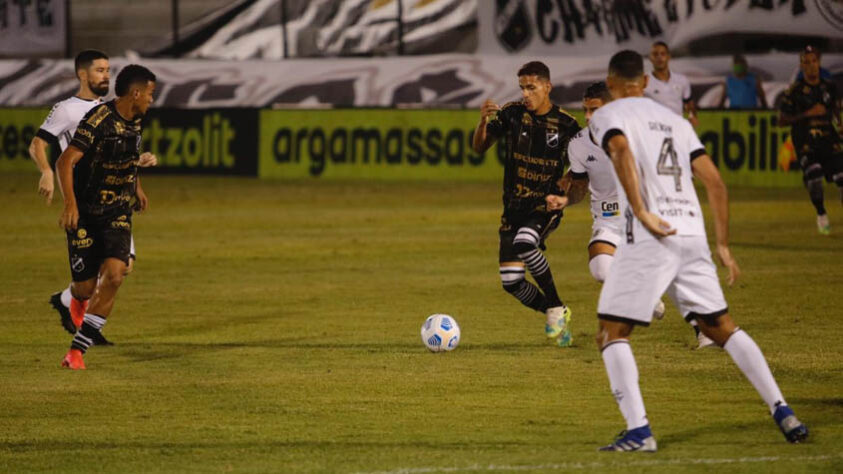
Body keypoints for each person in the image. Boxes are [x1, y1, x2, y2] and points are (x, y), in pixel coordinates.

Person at [587, 50, 807, 451]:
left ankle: (639, 432)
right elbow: (715, 181)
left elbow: (619, 150)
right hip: (692, 232)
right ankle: (782, 409)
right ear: (646, 82)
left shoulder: (608, 113)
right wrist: (723, 244)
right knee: (719, 326)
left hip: (652, 234)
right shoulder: (676, 122)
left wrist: (641, 212)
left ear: (611, 82)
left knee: (611, 332)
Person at [545, 82, 721, 348]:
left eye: (595, 110)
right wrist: (566, 199)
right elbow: (580, 187)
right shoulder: (579, 145)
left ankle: (704, 330)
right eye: (586, 110)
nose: (589, 117)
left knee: (673, 273)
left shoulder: (635, 135)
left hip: (645, 215)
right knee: (600, 267)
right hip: (608, 221)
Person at [29, 50, 157, 342]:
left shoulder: (120, 109)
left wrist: (135, 182)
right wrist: (47, 171)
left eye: (109, 70)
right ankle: (77, 309)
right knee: (95, 281)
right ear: (82, 75)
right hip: (83, 200)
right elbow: (39, 144)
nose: (106, 76)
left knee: (120, 269)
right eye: (99, 70)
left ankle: (85, 324)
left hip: (114, 204)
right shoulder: (67, 109)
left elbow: (118, 154)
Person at [472, 61, 581, 347]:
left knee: (525, 242)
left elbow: (586, 164)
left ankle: (555, 305)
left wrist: (568, 183)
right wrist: (482, 123)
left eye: (531, 88)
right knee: (511, 282)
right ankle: (556, 311)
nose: (525, 94)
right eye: (522, 87)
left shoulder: (567, 125)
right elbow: (480, 147)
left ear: (548, 87)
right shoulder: (512, 114)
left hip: (544, 206)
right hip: (513, 208)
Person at [56, 64, 157, 369]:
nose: (152, 100)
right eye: (150, 94)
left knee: (115, 274)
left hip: (117, 212)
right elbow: (65, 162)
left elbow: (125, 158)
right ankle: (72, 298)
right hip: (86, 212)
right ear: (136, 93)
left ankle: (76, 352)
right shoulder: (98, 120)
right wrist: (70, 205)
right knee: (86, 288)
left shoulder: (136, 121)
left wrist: (136, 186)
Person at [779, 45, 842, 235]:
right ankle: (821, 213)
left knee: (842, 177)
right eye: (806, 62)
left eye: (814, 61)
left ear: (819, 62)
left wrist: (840, 124)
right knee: (815, 177)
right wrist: (807, 114)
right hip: (806, 141)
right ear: (801, 66)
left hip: (829, 139)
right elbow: (781, 120)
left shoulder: (829, 87)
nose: (811, 65)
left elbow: (836, 110)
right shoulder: (794, 92)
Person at [644, 41, 698, 127]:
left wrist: (692, 115)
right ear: (650, 58)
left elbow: (688, 103)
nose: (659, 57)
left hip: (677, 127)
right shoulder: (644, 81)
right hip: (654, 128)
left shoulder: (682, 80)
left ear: (669, 57)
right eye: (655, 54)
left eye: (663, 54)